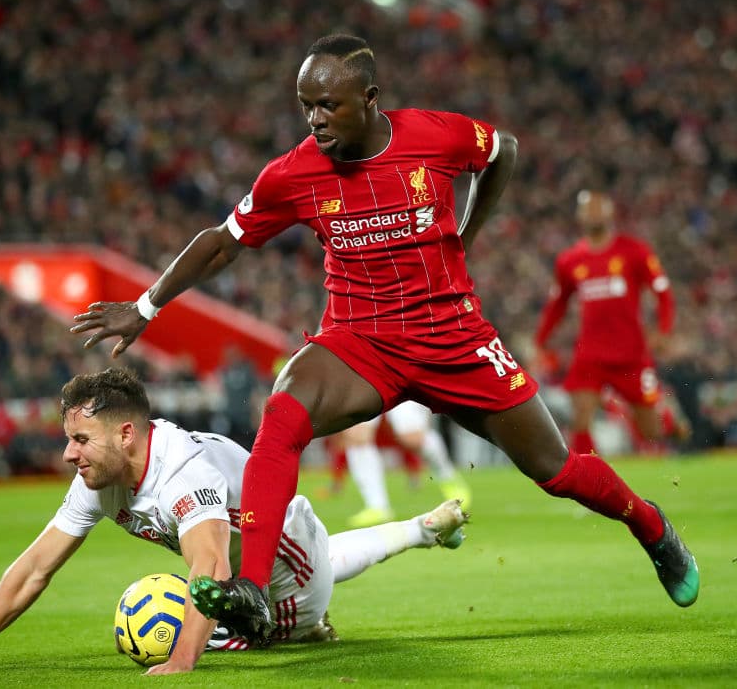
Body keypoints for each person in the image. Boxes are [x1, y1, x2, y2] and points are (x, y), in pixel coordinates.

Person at [70, 34, 700, 642]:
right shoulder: (294, 174)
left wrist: (468, 233)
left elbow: (502, 149)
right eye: (306, 107)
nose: (314, 119)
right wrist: (147, 305)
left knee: (554, 469)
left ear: (370, 98)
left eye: (328, 105)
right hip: (360, 342)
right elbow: (223, 242)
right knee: (284, 412)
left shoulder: (437, 136)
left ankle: (653, 527)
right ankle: (254, 591)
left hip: (453, 337)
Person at [0, 367, 466, 677]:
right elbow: (34, 568)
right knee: (310, 563)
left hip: (279, 585)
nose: (69, 454)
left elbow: (210, 569)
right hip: (288, 538)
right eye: (69, 440)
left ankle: (306, 626)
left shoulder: (183, 474)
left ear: (125, 434)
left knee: (271, 598)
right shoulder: (103, 474)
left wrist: (183, 660)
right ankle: (421, 529)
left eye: (79, 440)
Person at [534, 190, 679, 456]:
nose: (593, 214)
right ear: (580, 217)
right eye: (588, 210)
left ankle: (669, 422)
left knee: (650, 430)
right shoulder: (569, 261)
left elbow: (663, 294)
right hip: (591, 354)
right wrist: (541, 341)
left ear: (611, 213)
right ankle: (588, 477)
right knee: (580, 415)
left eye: (599, 209)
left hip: (631, 354)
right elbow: (557, 305)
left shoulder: (634, 251)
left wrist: (664, 331)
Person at [333, 401, 472, 528]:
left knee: (412, 439)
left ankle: (447, 477)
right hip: (370, 375)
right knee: (356, 434)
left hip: (402, 375)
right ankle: (377, 506)